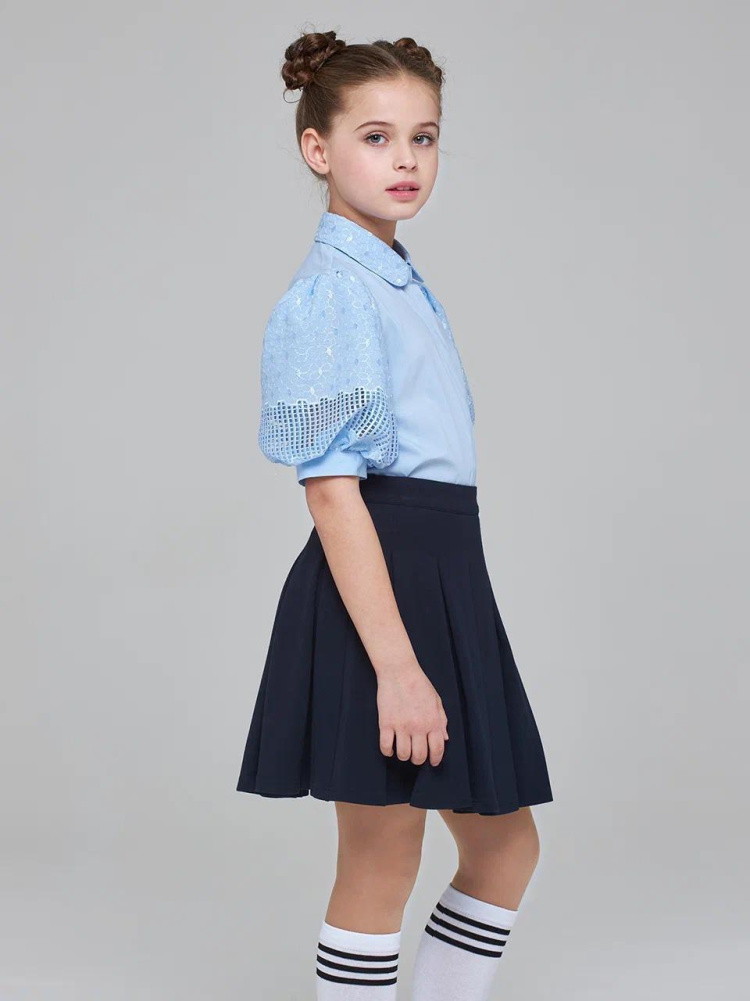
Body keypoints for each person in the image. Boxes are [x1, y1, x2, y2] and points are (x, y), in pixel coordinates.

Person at [236, 28, 554, 1001]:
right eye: (375, 137)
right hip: (382, 581)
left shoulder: (392, 275)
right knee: (383, 855)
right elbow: (332, 489)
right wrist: (398, 666)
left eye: (424, 137)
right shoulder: (334, 293)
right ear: (318, 148)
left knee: (505, 845)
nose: (405, 159)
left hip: (443, 572)